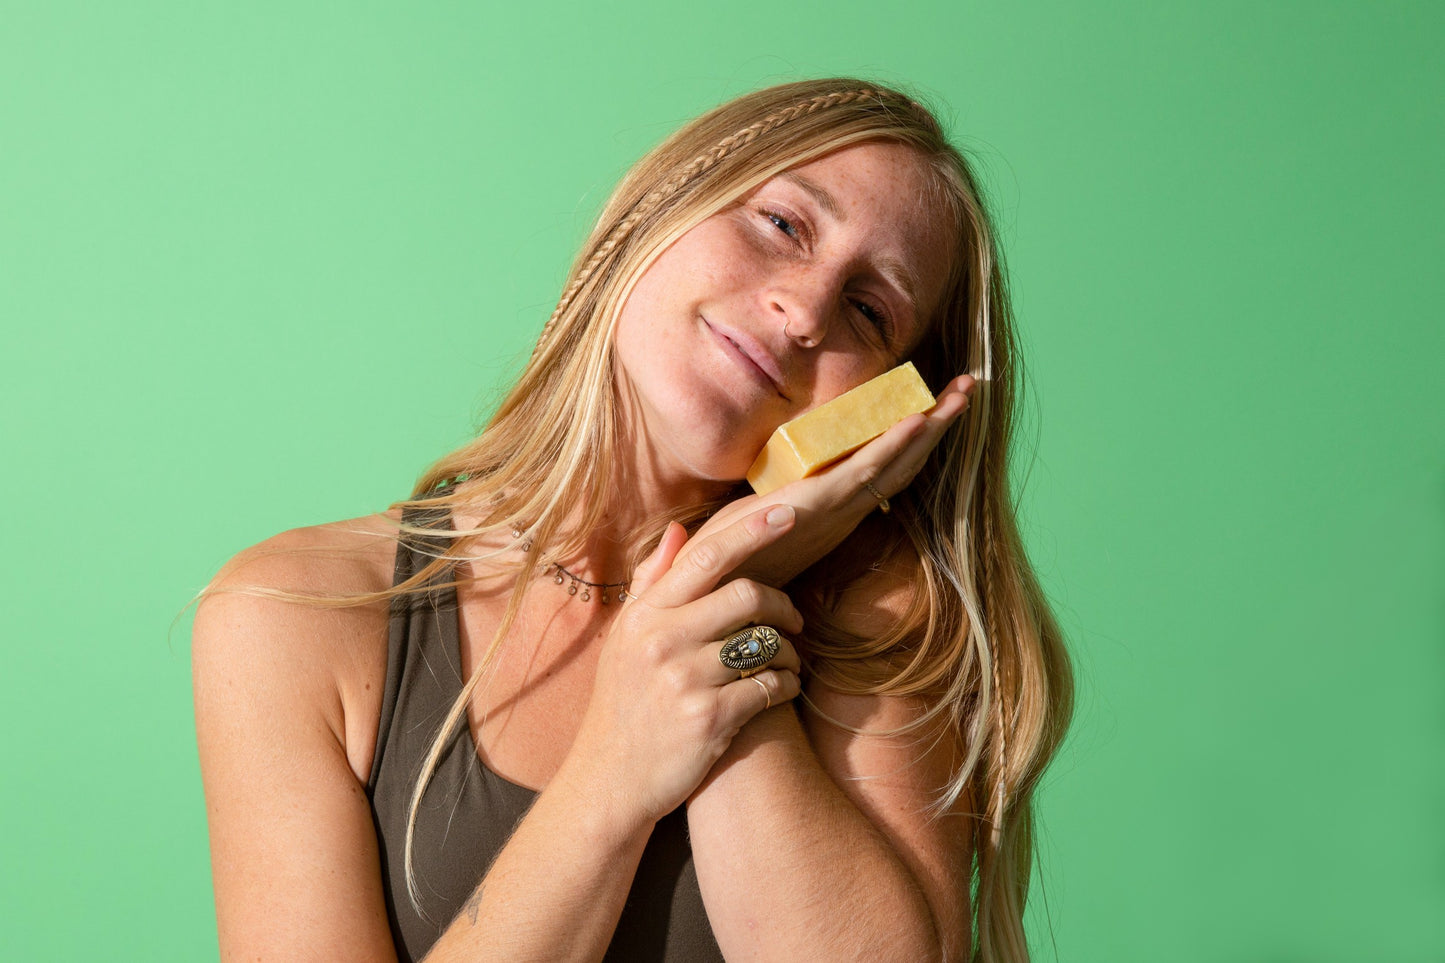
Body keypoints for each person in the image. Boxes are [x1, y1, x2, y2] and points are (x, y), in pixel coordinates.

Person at [192, 78, 1073, 962]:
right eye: (782, 225)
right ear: (661, 204)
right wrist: (619, 767)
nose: (803, 311)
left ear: (890, 402)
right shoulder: (293, 615)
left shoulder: (876, 617)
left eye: (870, 310)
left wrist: (729, 593)